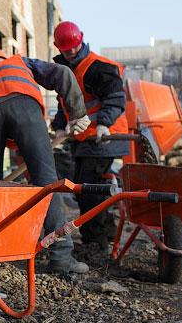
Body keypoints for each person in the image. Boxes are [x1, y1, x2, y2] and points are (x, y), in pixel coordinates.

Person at [0, 49, 92, 275]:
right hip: (25, 105)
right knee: (48, 183)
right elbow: (62, 72)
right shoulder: (20, 62)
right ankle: (61, 256)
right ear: (3, 58)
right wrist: (77, 113)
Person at [51, 21, 129, 248]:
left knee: (90, 190)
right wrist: (58, 125)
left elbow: (115, 99)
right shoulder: (68, 71)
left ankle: (96, 242)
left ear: (81, 39)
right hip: (86, 140)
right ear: (58, 47)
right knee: (90, 188)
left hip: (105, 138)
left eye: (74, 46)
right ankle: (104, 236)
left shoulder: (97, 67)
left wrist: (104, 123)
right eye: (66, 49)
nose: (72, 51)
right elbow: (65, 104)